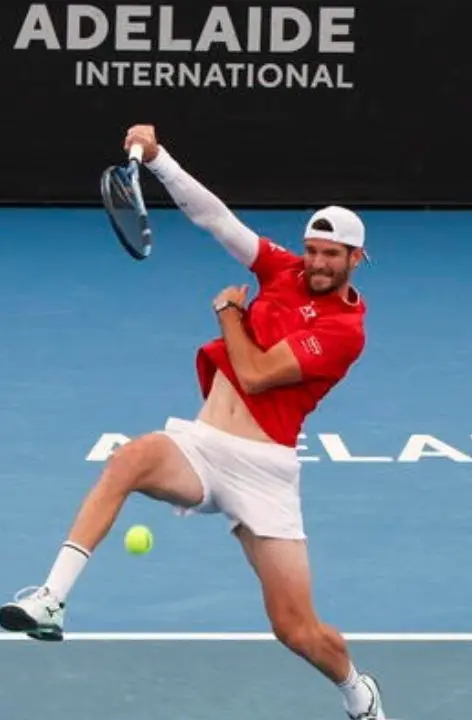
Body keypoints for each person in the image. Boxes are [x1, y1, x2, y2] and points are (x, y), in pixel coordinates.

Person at [0, 125, 388, 720]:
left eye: (331, 255)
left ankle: (356, 691)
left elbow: (256, 374)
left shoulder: (344, 332)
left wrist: (231, 310)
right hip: (204, 446)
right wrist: (159, 160)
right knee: (128, 458)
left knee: (297, 629)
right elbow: (216, 219)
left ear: (356, 259)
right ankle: (51, 598)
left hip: (265, 471)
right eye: (312, 250)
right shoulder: (284, 271)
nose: (316, 262)